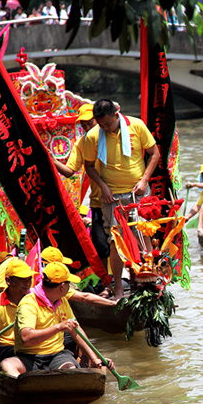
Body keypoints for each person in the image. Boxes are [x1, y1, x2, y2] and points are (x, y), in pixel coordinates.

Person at [82, 99, 160, 300]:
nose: (105, 128)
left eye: (107, 123)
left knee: (143, 236)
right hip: (112, 197)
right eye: (101, 125)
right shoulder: (92, 136)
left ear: (116, 115)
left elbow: (154, 154)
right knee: (115, 242)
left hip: (139, 192)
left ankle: (146, 282)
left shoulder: (137, 125)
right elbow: (89, 166)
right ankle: (118, 289)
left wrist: (144, 180)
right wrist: (103, 187)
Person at [14, 262, 110, 372]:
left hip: (57, 355)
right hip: (29, 357)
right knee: (7, 365)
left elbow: (76, 331)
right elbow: (26, 339)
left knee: (70, 369)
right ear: (62, 286)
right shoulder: (28, 303)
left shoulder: (62, 300)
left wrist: (95, 359)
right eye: (69, 283)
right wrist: (59, 327)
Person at [53, 104, 111, 263]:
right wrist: (51, 160)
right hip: (98, 201)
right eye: (83, 125)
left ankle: (134, 278)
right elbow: (69, 171)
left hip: (119, 196)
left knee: (125, 239)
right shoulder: (81, 143)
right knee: (101, 244)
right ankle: (108, 282)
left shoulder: (113, 136)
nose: (86, 127)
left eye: (90, 123)